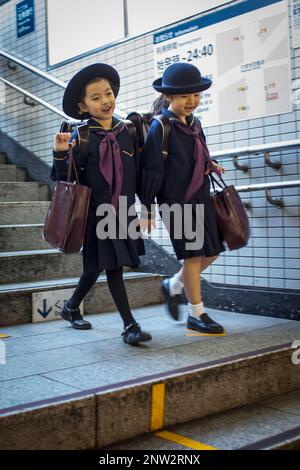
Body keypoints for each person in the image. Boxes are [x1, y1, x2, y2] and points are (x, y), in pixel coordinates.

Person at [51, 63, 152, 345]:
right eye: (96, 98)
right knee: (113, 267)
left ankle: (71, 307)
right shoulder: (80, 136)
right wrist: (60, 154)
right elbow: (63, 179)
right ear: (82, 106)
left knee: (94, 267)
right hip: (97, 214)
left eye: (108, 93)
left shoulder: (128, 131)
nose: (105, 101)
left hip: (124, 210)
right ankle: (130, 326)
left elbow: (142, 172)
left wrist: (146, 208)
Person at [140, 62, 226, 334]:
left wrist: (210, 164)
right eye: (185, 95)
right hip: (175, 201)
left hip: (200, 195)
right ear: (170, 96)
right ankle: (197, 314)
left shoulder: (195, 123)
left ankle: (173, 285)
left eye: (196, 95)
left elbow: (199, 152)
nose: (192, 101)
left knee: (211, 252)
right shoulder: (161, 127)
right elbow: (151, 171)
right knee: (192, 256)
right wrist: (147, 208)